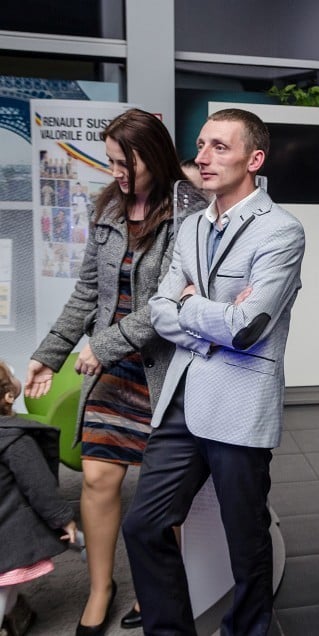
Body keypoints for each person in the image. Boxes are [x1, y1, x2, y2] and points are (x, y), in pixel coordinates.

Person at [122, 108, 305, 636]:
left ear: (255, 159)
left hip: (240, 404)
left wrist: (188, 304)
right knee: (144, 525)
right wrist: (206, 315)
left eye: (219, 147)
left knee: (245, 541)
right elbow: (158, 310)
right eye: (201, 145)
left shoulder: (281, 231)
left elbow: (248, 329)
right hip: (181, 398)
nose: (203, 157)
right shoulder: (192, 226)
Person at [24, 108, 182, 636]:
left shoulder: (187, 212)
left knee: (163, 493)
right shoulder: (109, 208)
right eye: (110, 161)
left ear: (153, 156)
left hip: (163, 367)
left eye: (124, 163)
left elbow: (170, 303)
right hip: (111, 368)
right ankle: (99, 588)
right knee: (96, 477)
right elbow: (88, 292)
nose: (115, 172)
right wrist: (49, 353)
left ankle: (161, 589)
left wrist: (105, 345)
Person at [1, 360, 79, 636]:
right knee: (3, 588)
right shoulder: (15, 440)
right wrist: (64, 519)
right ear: (8, 396)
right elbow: (39, 486)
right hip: (6, 538)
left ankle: (15, 616)